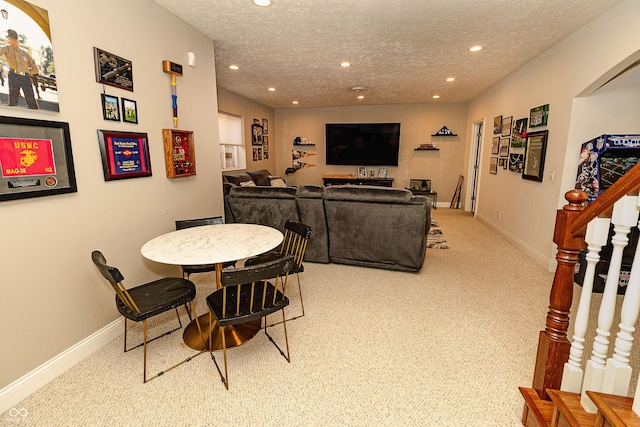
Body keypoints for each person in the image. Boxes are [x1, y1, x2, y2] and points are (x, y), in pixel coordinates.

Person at [0, 29, 39, 109]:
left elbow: (35, 68)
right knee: (13, 100)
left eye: (15, 39)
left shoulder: (24, 53)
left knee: (31, 99)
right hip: (13, 75)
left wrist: (27, 71)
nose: (13, 41)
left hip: (25, 77)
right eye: (11, 39)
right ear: (9, 39)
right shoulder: (6, 49)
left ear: (18, 40)